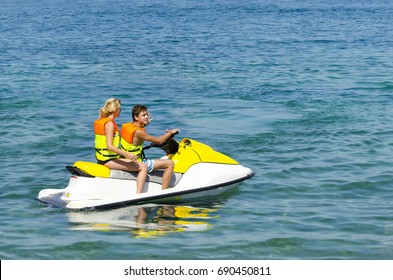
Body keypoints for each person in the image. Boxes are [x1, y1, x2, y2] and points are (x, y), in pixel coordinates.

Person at [94, 98, 148, 194]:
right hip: (108, 160)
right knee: (143, 167)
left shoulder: (103, 121)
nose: (120, 111)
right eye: (120, 109)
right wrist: (127, 154)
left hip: (103, 158)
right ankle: (139, 195)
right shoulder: (109, 124)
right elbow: (109, 146)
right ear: (115, 110)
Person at [120, 104, 179, 190]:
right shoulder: (139, 132)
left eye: (147, 114)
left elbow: (137, 133)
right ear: (136, 117)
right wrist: (170, 133)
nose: (147, 117)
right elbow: (159, 141)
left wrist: (144, 123)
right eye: (143, 115)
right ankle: (164, 191)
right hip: (138, 162)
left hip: (126, 160)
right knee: (170, 163)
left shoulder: (128, 126)